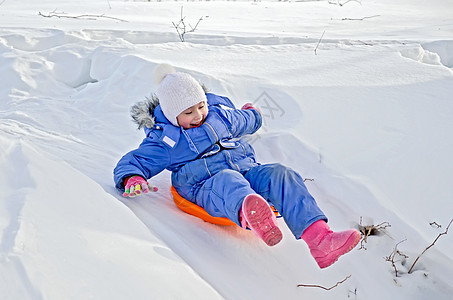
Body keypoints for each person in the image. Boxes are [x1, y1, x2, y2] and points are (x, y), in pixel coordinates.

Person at [113, 64, 361, 269]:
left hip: (247, 170)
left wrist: (253, 114)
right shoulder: (166, 140)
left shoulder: (220, 115)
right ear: (170, 115)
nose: (198, 115)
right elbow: (135, 161)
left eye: (201, 106)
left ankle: (320, 239)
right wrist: (132, 178)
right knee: (229, 180)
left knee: (281, 174)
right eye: (188, 112)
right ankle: (253, 216)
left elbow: (247, 121)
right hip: (205, 186)